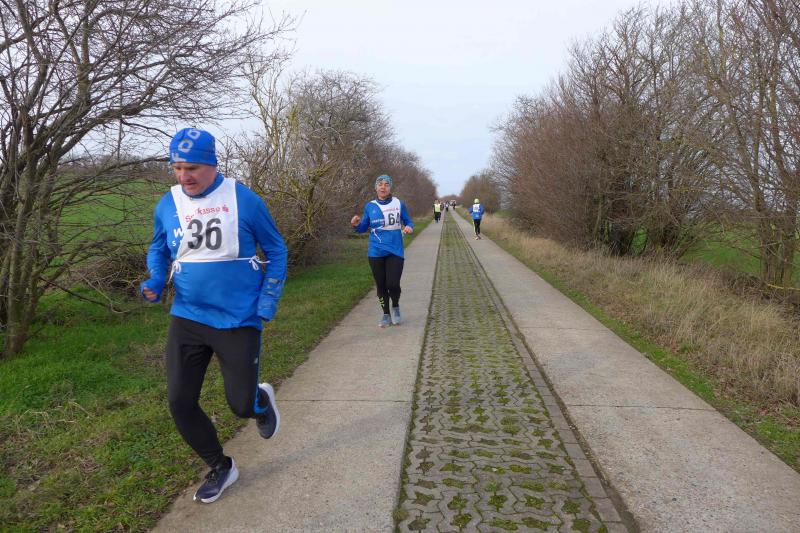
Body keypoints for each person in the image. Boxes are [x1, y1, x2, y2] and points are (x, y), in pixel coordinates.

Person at [141, 128, 288, 504]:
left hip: (237, 318)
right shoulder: (168, 203)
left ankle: (259, 401)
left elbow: (276, 249)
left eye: (192, 168)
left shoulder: (244, 199)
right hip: (188, 316)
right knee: (179, 401)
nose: (183, 176)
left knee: (240, 405)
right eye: (177, 167)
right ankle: (221, 466)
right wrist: (156, 279)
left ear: (213, 164)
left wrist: (268, 299)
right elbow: (158, 248)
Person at [351, 175, 414, 328]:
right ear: (376, 187)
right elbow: (363, 228)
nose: (383, 187)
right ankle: (386, 314)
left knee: (393, 284)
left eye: (386, 184)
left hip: (395, 250)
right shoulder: (370, 206)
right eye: (380, 184)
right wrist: (356, 225)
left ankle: (395, 306)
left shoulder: (399, 203)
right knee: (381, 285)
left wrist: (409, 226)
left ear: (390, 187)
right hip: (375, 252)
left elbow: (408, 221)